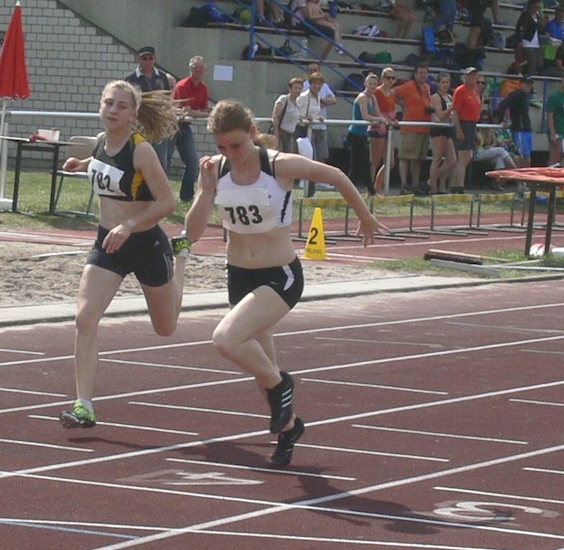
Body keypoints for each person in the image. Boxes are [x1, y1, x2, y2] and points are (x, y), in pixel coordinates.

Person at [181, 100, 386, 465]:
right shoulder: (216, 170)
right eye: (222, 146)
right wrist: (207, 190)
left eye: (236, 145)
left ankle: (283, 384)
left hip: (280, 275)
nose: (230, 153)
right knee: (262, 370)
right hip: (239, 277)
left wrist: (365, 216)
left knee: (226, 339)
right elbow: (193, 233)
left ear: (252, 133)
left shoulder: (278, 165)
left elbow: (337, 176)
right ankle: (289, 429)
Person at [58, 80, 190, 429]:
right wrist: (81, 164)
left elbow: (168, 202)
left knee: (166, 328)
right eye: (108, 103)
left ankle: (181, 261)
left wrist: (129, 225)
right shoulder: (102, 142)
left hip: (145, 244)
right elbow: (105, 164)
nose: (112, 110)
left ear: (133, 114)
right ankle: (84, 405)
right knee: (85, 319)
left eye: (121, 106)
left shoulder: (141, 150)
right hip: (108, 244)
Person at [166, 55, 209, 203]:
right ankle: (161, 195)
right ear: (190, 69)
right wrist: (204, 114)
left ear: (205, 69)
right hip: (171, 126)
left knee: (192, 162)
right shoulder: (183, 85)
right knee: (165, 161)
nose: (198, 70)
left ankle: (186, 196)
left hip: (184, 127)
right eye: (195, 67)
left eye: (201, 68)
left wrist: (209, 111)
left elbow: (202, 109)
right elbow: (188, 111)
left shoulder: (203, 88)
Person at [393, 61, 433, 194]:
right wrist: (402, 104)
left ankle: (415, 185)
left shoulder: (427, 87)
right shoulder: (408, 86)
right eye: (420, 73)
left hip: (424, 127)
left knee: (418, 158)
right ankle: (404, 184)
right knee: (405, 156)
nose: (423, 75)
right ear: (415, 74)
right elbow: (392, 93)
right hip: (411, 126)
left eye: (425, 73)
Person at [450, 67, 483, 190]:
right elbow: (455, 112)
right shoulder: (460, 91)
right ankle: (458, 185)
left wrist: (474, 132)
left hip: (471, 125)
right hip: (463, 124)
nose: (473, 78)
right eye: (470, 75)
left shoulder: (475, 92)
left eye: (475, 75)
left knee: (467, 156)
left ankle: (457, 184)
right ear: (465, 77)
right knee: (463, 156)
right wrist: (459, 130)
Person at [427, 69, 457, 194]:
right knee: (437, 158)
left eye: (447, 82)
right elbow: (440, 115)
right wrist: (451, 109)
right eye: (443, 82)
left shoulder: (449, 96)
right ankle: (433, 187)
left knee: (452, 161)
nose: (445, 85)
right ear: (438, 83)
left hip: (447, 128)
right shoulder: (436, 97)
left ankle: (432, 179)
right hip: (438, 129)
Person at [544, 74, 564, 167]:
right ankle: (550, 175)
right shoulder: (555, 97)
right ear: (561, 84)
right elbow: (550, 116)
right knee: (554, 157)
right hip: (558, 132)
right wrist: (553, 133)